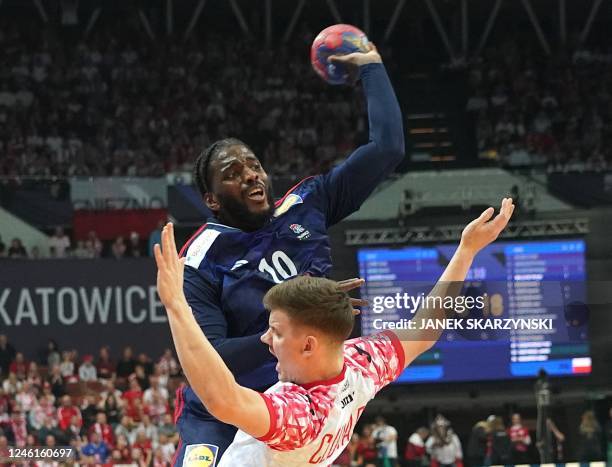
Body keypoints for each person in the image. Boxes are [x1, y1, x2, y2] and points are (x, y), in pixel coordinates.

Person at [174, 44, 405, 463]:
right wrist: (295, 324)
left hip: (301, 402)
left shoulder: (308, 202)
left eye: (253, 165)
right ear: (212, 199)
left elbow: (387, 149)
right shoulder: (199, 259)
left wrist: (371, 67)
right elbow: (210, 358)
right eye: (232, 173)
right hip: (220, 410)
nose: (250, 175)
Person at [154, 197, 513, 466]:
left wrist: (176, 305)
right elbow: (425, 329)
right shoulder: (361, 363)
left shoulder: (301, 413)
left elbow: (222, 398)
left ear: (309, 344)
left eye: (275, 332)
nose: (265, 339)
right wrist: (466, 250)